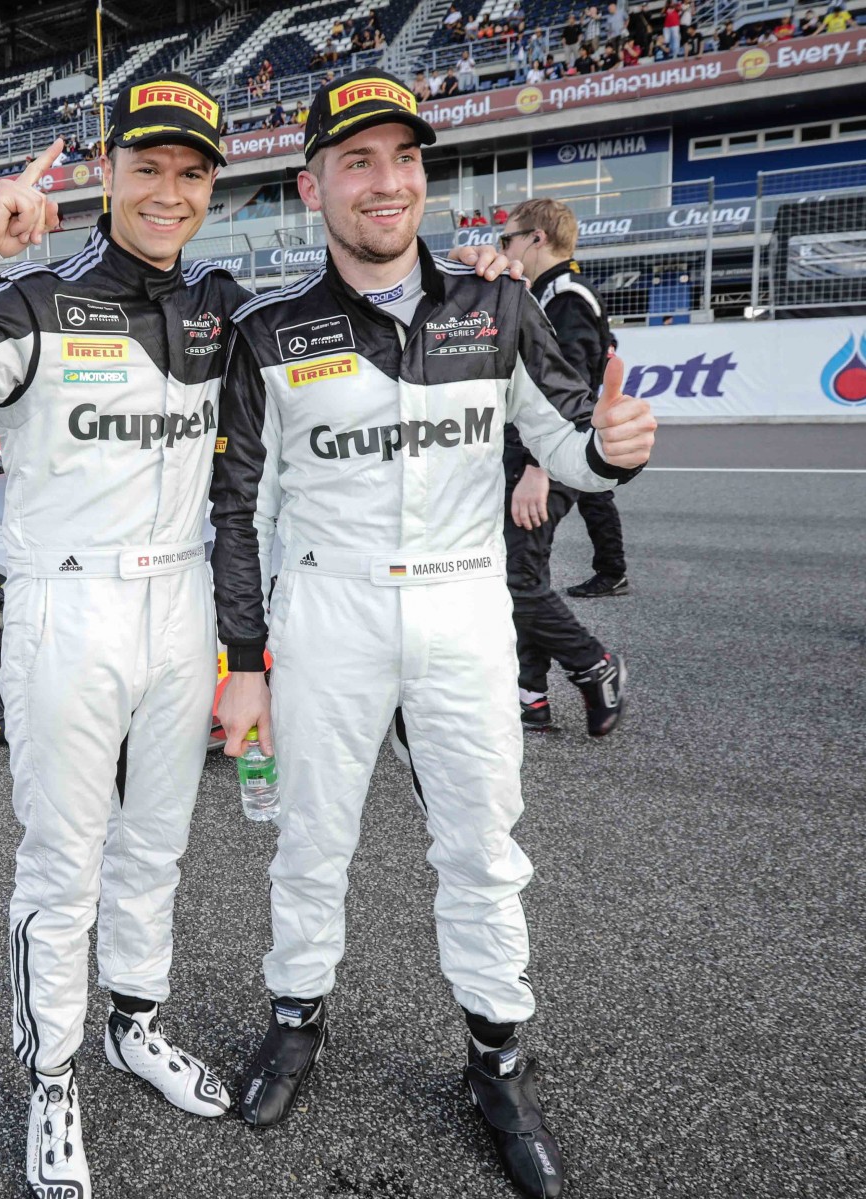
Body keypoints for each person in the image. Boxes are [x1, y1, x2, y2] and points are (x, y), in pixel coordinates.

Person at [210, 71, 656, 1199]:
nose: (386, 181)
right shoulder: (267, 331)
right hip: (329, 610)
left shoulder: (496, 306)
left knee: (483, 846)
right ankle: (297, 1017)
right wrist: (245, 663)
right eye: (357, 161)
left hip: (462, 607)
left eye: (403, 158)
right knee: (310, 838)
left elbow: (570, 441)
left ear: (423, 175)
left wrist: (614, 451)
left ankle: (499, 1060)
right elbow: (239, 512)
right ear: (312, 186)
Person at [0, 74, 264, 1197]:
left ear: (210, 188)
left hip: (181, 604)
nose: (168, 191)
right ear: (108, 173)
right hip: (66, 605)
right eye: (147, 167)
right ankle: (51, 1077)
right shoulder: (37, 298)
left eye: (191, 173)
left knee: (158, 845)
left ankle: (136, 1024)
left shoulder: (224, 305)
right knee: (62, 861)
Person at [498, 200, 630, 735]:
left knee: (513, 580)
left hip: (546, 458)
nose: (503, 248)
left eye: (507, 239)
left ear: (537, 238)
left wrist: (538, 469)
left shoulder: (566, 295)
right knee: (525, 574)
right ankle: (530, 696)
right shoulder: (547, 291)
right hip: (534, 454)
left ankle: (593, 665)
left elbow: (567, 391)